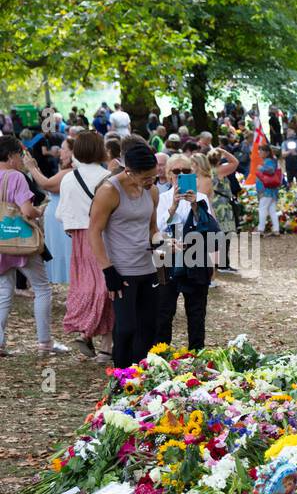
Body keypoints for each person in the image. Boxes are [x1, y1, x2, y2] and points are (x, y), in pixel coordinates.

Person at [87, 141, 161, 368]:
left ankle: (140, 373)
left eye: (154, 176)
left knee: (148, 326)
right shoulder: (109, 191)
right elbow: (94, 231)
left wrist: (164, 244)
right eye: (146, 177)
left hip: (148, 267)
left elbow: (152, 229)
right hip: (121, 270)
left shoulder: (152, 191)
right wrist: (108, 270)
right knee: (126, 327)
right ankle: (121, 373)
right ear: (129, 171)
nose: (151, 182)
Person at [0, 137, 67, 355]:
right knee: (42, 288)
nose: (21, 160)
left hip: (1, 242)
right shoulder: (15, 177)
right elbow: (28, 211)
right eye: (19, 155)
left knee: (3, 291)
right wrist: (41, 211)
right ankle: (44, 343)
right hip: (21, 242)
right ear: (10, 156)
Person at [55, 130, 114, 358]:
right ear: (101, 149)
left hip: (78, 240)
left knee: (85, 287)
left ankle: (86, 333)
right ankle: (105, 346)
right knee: (107, 287)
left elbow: (61, 214)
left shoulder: (68, 178)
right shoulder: (108, 177)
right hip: (102, 236)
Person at [154, 153, 213, 350]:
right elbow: (155, 228)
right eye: (176, 171)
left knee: (196, 313)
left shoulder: (202, 198)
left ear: (192, 174)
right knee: (163, 311)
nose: (180, 175)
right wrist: (173, 207)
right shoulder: (161, 198)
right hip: (166, 258)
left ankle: (197, 355)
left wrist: (195, 205)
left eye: (185, 171)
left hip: (195, 258)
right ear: (169, 175)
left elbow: (210, 229)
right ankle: (161, 357)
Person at [24, 140, 72, 286]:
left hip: (61, 218)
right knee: (58, 250)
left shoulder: (68, 172)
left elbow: (47, 184)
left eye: (63, 149)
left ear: (72, 152)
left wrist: (32, 168)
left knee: (64, 250)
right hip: (56, 216)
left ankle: (68, 281)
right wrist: (36, 168)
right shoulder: (66, 169)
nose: (59, 152)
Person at [255, 152, 283, 235]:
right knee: (272, 211)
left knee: (262, 209)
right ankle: (276, 229)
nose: (259, 153)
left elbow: (270, 171)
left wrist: (261, 168)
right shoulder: (273, 160)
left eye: (261, 151)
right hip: (272, 191)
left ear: (266, 153)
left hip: (266, 190)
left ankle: (260, 229)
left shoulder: (268, 161)